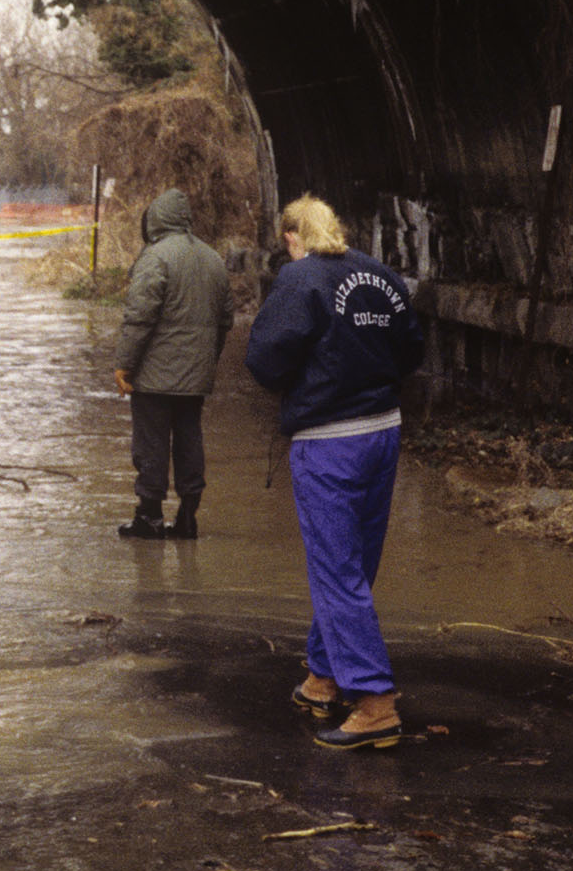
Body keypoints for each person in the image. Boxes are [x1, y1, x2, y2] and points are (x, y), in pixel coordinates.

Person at [244, 194, 424, 750]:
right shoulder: (379, 275)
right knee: (355, 562)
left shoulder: (301, 281)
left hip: (329, 443)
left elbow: (264, 360)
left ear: (294, 237)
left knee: (334, 569)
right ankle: (323, 678)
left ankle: (374, 703)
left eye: (287, 242)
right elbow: (411, 349)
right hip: (383, 432)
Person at [112, 188, 234, 540]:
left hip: (154, 378)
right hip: (196, 376)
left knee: (150, 444)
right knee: (189, 441)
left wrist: (124, 364)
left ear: (155, 220)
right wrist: (206, 361)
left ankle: (149, 518)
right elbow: (225, 320)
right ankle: (187, 518)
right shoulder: (213, 259)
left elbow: (139, 318)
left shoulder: (155, 257)